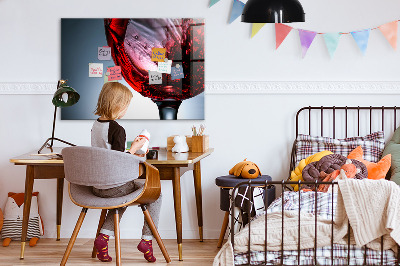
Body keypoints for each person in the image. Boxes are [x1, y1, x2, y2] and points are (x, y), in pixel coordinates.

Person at [91, 82, 162, 263]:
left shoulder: (96, 125)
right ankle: (147, 240)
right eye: (126, 106)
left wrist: (132, 150)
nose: (126, 110)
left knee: (121, 198)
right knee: (156, 194)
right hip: (114, 186)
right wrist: (135, 149)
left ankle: (104, 238)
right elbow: (119, 161)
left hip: (97, 186)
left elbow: (108, 154)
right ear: (117, 105)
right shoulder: (117, 129)